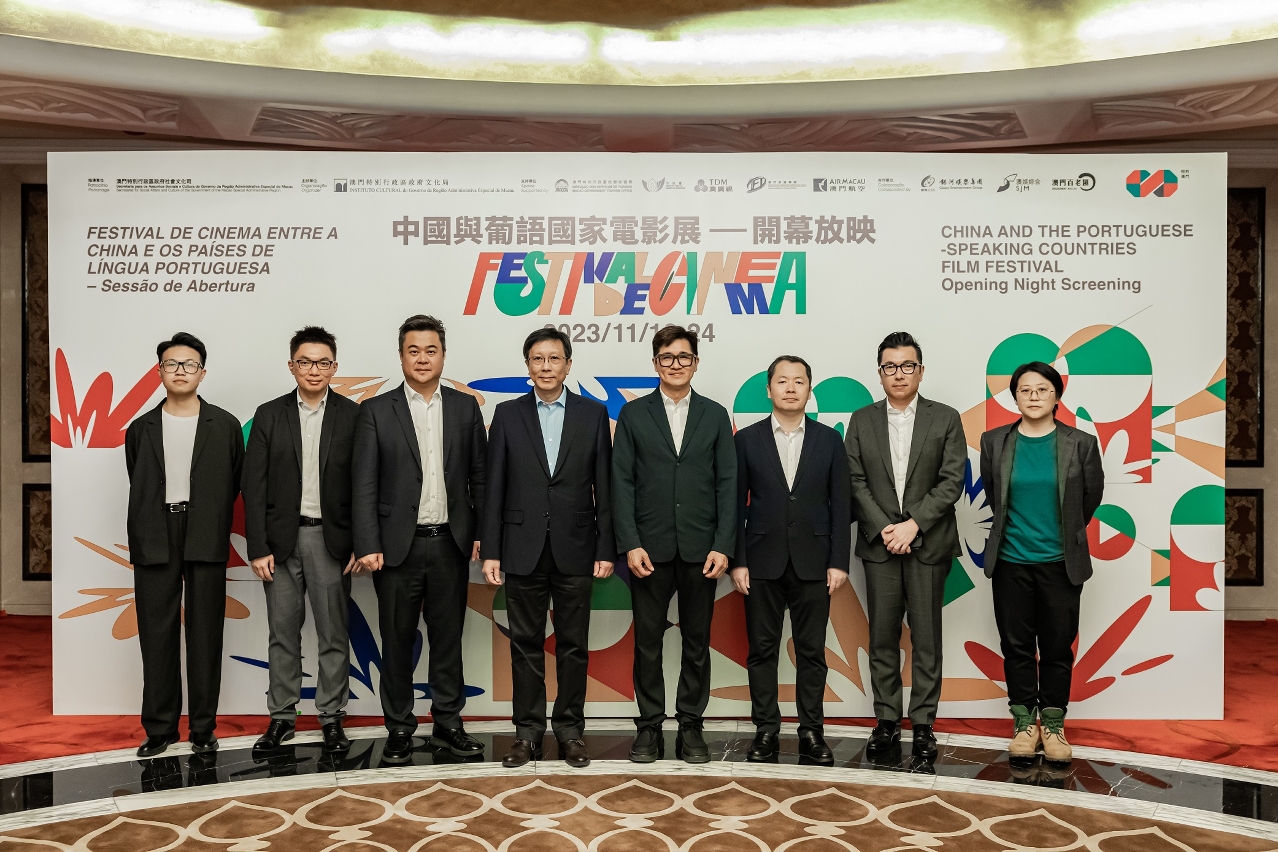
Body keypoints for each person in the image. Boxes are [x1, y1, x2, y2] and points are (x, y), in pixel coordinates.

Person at [351, 315, 487, 764]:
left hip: (450, 542)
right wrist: (368, 542)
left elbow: (480, 477)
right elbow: (364, 483)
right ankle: (399, 727)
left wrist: (482, 534)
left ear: (443, 355)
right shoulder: (376, 410)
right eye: (414, 351)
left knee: (448, 639)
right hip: (396, 547)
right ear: (401, 356)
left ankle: (448, 722)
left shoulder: (465, 408)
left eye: (431, 350)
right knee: (397, 641)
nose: (423, 358)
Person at [481, 327, 615, 769]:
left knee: (574, 645)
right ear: (528, 365)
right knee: (525, 644)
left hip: (577, 546)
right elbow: (494, 486)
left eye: (554, 358)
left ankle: (570, 731)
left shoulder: (593, 414)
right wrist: (492, 550)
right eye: (537, 359)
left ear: (568, 365)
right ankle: (527, 733)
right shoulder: (507, 414)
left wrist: (606, 548)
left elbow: (605, 487)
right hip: (521, 547)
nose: (545, 366)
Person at [613, 324, 736, 764]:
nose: (676, 364)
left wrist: (723, 544)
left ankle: (690, 725)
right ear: (655, 363)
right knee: (647, 642)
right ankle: (648, 726)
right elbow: (621, 483)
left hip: (703, 551)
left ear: (695, 363)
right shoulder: (633, 415)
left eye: (684, 357)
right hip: (649, 550)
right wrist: (630, 543)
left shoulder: (715, 415)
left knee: (696, 642)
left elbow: (728, 483)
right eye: (667, 357)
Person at [844, 331, 966, 761]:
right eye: (890, 367)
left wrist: (913, 525)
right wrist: (885, 528)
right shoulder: (861, 420)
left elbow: (951, 480)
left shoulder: (945, 418)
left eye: (907, 366)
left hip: (928, 544)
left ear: (921, 371)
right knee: (882, 637)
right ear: (880, 373)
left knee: (927, 638)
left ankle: (925, 724)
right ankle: (886, 721)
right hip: (880, 546)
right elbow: (854, 480)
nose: (899, 374)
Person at [242, 326, 360, 756]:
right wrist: (258, 547)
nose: (314, 369)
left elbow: (363, 484)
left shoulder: (353, 415)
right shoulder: (269, 414)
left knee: (333, 633)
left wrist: (360, 542)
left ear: (334, 367)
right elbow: (253, 486)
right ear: (292, 365)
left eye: (323, 362)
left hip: (331, 541)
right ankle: (281, 718)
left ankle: (332, 717)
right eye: (306, 362)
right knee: (282, 634)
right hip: (280, 542)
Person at [125, 332, 244, 758]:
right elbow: (137, 477)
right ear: (159, 372)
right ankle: (159, 728)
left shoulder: (225, 426)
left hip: (205, 530)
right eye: (172, 364)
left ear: (202, 373)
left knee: (205, 630)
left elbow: (232, 481)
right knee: (156, 631)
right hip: (155, 531)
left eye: (189, 364)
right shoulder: (140, 428)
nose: (180, 371)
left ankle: (203, 727)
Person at [730, 356, 851, 766]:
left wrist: (838, 561)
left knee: (811, 652)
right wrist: (738, 561)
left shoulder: (829, 440)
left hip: (815, 562)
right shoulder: (747, 440)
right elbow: (734, 505)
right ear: (769, 389)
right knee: (761, 650)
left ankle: (811, 732)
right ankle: (765, 730)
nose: (790, 388)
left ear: (809, 390)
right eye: (782, 381)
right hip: (760, 561)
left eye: (799, 381)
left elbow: (841, 504)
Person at [980, 361, 1103, 763]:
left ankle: (1052, 725)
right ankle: (1023, 724)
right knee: (1016, 646)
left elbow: (1089, 498)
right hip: (1010, 561)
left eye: (1042, 390)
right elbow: (995, 496)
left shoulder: (1080, 443)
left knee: (1056, 647)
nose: (1034, 397)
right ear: (1015, 397)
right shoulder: (994, 442)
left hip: (1060, 563)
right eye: (1025, 390)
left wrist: (1061, 534)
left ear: (1057, 396)